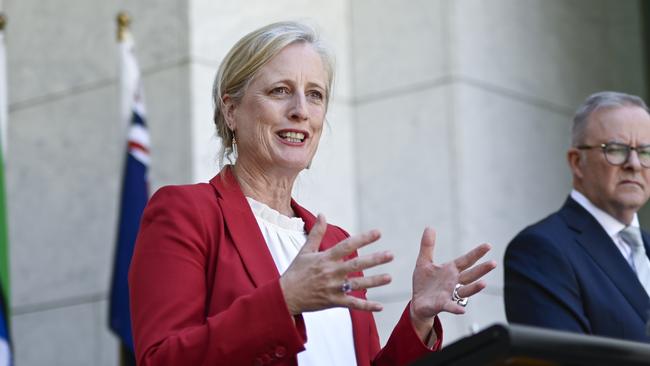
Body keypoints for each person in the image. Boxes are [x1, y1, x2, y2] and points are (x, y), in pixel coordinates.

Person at [129, 21, 496, 366]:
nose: (301, 111)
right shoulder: (187, 212)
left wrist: (418, 319)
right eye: (280, 91)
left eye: (315, 95)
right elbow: (160, 359)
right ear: (231, 110)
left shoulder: (334, 245)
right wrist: (284, 300)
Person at [504, 91, 650, 342]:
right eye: (615, 149)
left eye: (646, 152)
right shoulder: (541, 250)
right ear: (576, 162)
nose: (634, 164)